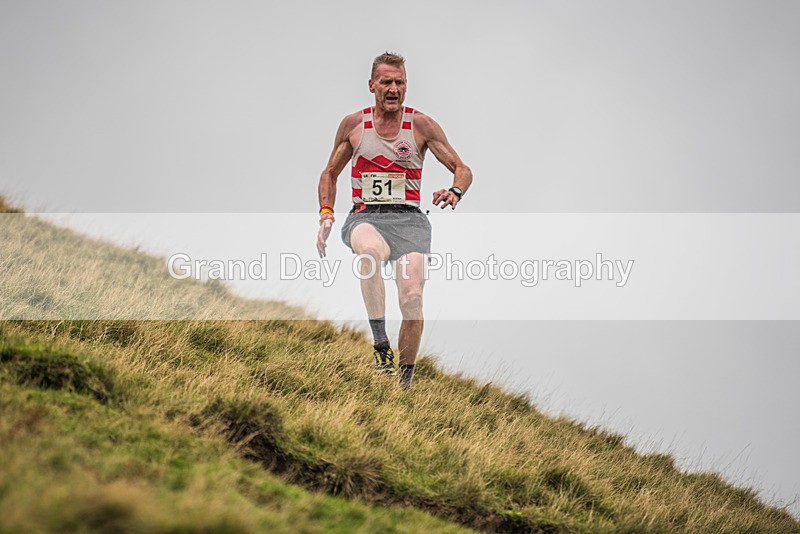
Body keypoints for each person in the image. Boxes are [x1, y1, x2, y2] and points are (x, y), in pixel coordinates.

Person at [316, 52, 472, 389]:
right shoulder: (354, 125)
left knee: (412, 297)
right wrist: (326, 213)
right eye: (386, 81)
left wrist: (455, 191)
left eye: (399, 82)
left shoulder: (421, 126)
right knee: (369, 253)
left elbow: (463, 168)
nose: (393, 88)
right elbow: (330, 173)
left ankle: (404, 383)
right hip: (366, 216)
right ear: (372, 85)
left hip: (410, 222)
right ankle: (381, 346)